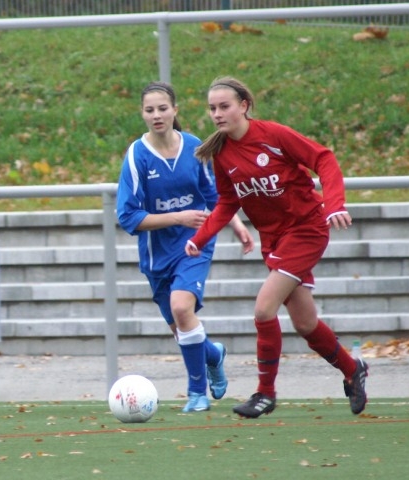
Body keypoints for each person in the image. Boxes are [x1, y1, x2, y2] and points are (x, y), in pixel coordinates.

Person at [184, 76, 368, 419]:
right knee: (305, 323)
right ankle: (351, 368)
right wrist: (199, 238)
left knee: (263, 310)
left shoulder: (273, 136)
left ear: (244, 106)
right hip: (275, 240)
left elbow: (324, 158)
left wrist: (334, 204)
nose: (217, 114)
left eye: (224, 106)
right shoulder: (222, 154)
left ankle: (265, 393)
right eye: (212, 108)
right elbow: (227, 201)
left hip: (306, 229)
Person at [117, 81, 254, 413]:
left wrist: (237, 225)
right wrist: (177, 217)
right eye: (150, 110)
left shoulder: (195, 148)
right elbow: (128, 216)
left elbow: (216, 197)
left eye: (163, 108)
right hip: (157, 255)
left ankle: (196, 393)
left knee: (182, 309)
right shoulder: (137, 156)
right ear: (142, 114)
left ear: (175, 110)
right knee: (181, 328)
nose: (157, 115)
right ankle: (213, 355)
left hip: (196, 243)